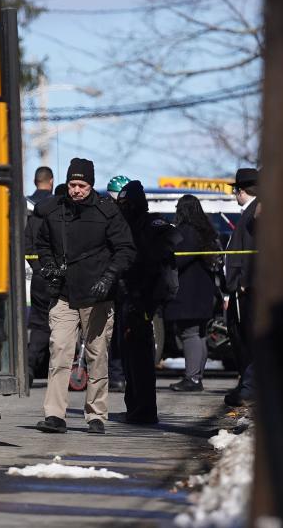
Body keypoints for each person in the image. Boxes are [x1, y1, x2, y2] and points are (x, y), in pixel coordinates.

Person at [34, 158, 136, 434]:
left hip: (97, 297)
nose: (76, 190)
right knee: (59, 353)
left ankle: (96, 415)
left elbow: (126, 249)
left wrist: (108, 277)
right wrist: (48, 266)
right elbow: (41, 243)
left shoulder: (107, 211)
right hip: (64, 295)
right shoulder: (55, 211)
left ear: (91, 185)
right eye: (72, 184)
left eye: (82, 185)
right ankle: (55, 415)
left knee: (97, 356)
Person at [115, 180, 181, 424]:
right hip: (128, 296)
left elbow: (172, 239)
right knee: (129, 357)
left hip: (143, 299)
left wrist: (143, 287)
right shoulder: (127, 225)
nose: (123, 207)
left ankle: (144, 410)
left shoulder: (150, 224)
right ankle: (134, 407)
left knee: (141, 358)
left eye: (126, 203)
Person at [166, 194, 221, 392]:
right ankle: (196, 376)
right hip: (203, 294)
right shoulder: (205, 232)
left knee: (190, 334)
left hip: (189, 295)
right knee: (199, 335)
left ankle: (192, 378)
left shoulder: (187, 232)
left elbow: (177, 260)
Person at [223, 167, 259, 407]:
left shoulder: (257, 211)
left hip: (249, 287)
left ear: (242, 190)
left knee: (250, 337)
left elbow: (254, 251)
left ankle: (250, 387)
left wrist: (245, 282)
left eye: (236, 190)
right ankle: (246, 384)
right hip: (242, 287)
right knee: (242, 338)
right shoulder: (249, 212)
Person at [24, 167, 55, 386]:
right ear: (51, 181)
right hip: (58, 275)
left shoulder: (27, 210)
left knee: (39, 324)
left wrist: (37, 266)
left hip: (36, 277)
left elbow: (27, 244)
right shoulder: (57, 208)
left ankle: (29, 366)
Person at [105, 175, 131, 392]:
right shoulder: (136, 217)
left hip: (118, 281)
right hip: (125, 283)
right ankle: (120, 375)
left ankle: (117, 374)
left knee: (115, 332)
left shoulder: (108, 215)